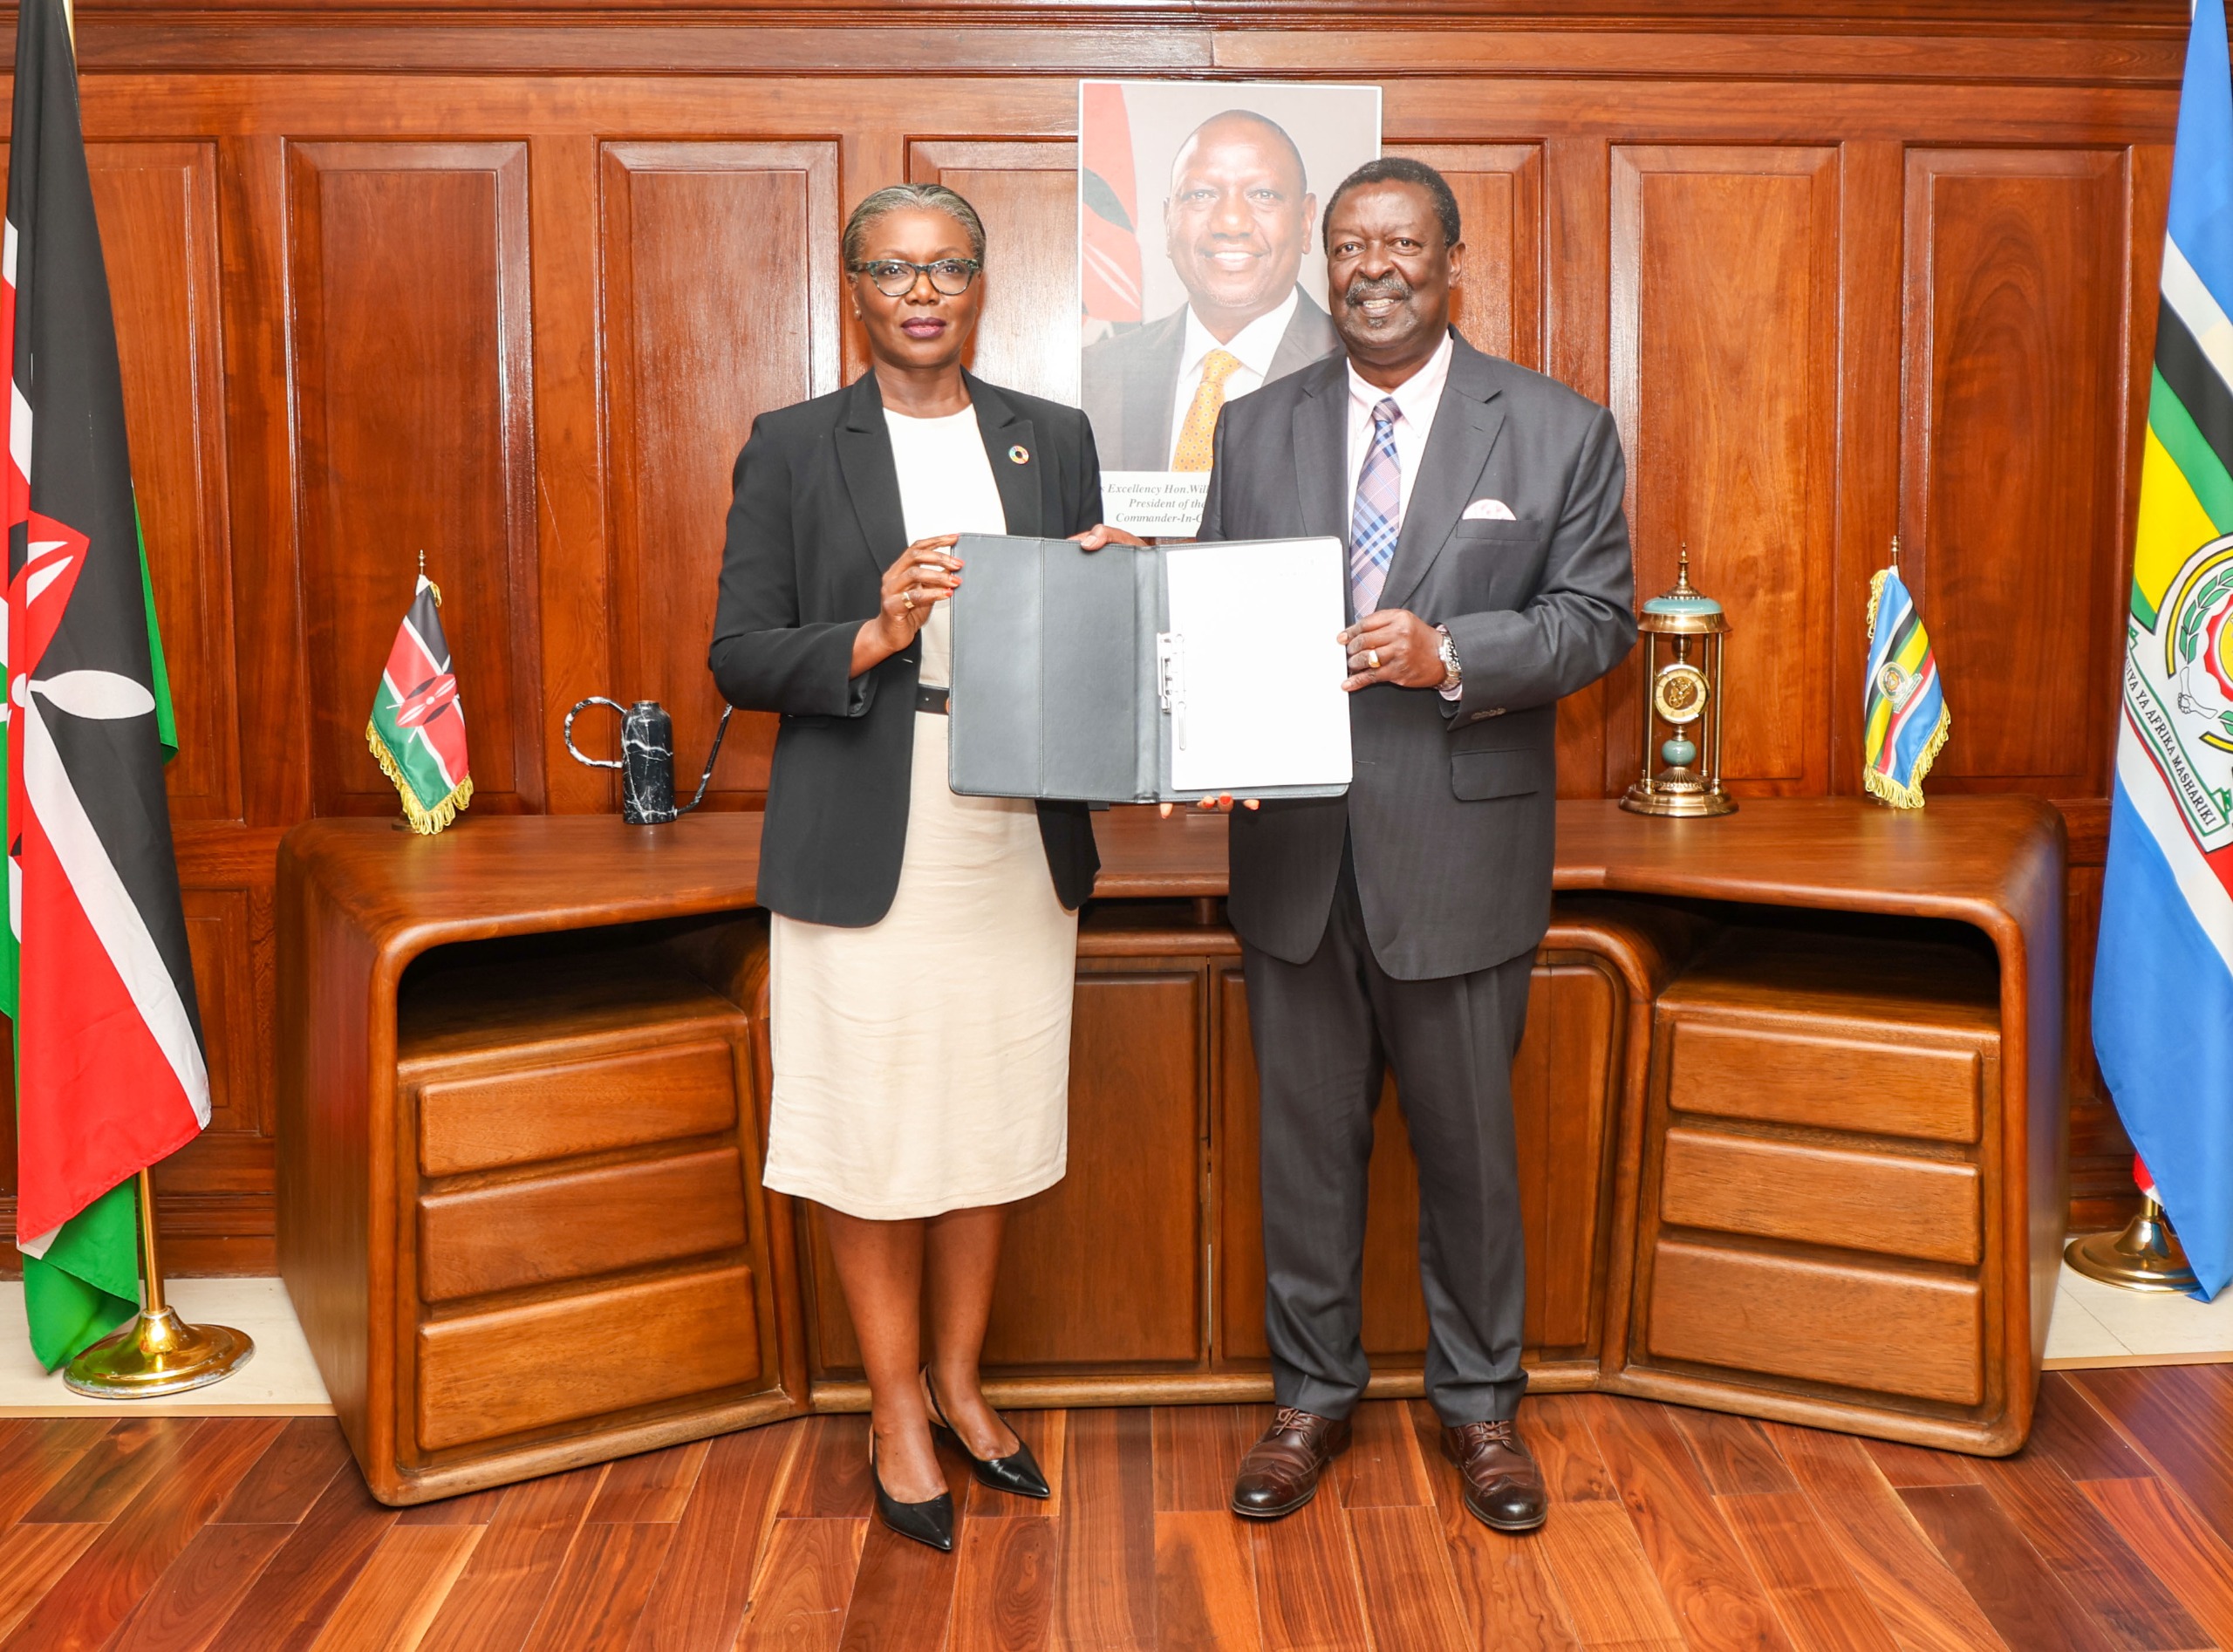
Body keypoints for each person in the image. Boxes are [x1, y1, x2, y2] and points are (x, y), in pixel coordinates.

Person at [1194, 157, 1636, 1533]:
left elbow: (1598, 622)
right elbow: (1212, 609)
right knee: (1306, 1155)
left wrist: (1455, 652)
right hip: (1292, 858)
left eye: (1399, 243)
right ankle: (1309, 1398)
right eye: (1347, 245)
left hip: (1460, 860)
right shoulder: (1255, 426)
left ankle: (1483, 1410)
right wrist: (1200, 737)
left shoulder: (1557, 428)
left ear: (1454, 259)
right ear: (1326, 266)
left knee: (1471, 1161)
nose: (1371, 266)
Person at [708, 182, 1126, 1553]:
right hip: (865, 827)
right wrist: (874, 631)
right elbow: (738, 650)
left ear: (982, 282)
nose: (923, 291)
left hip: (1014, 830)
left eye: (947, 266)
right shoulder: (789, 446)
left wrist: (1108, 589)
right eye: (894, 270)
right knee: (876, 1129)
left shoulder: (1049, 439)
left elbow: (1077, 637)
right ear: (856, 288)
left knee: (989, 1118)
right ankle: (895, 1408)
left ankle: (962, 1378)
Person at [1081, 109, 1339, 473]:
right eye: (1201, 194)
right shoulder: (1095, 374)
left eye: (1263, 194)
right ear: (1168, 221)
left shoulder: (1354, 366)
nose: (1230, 222)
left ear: (1306, 219)